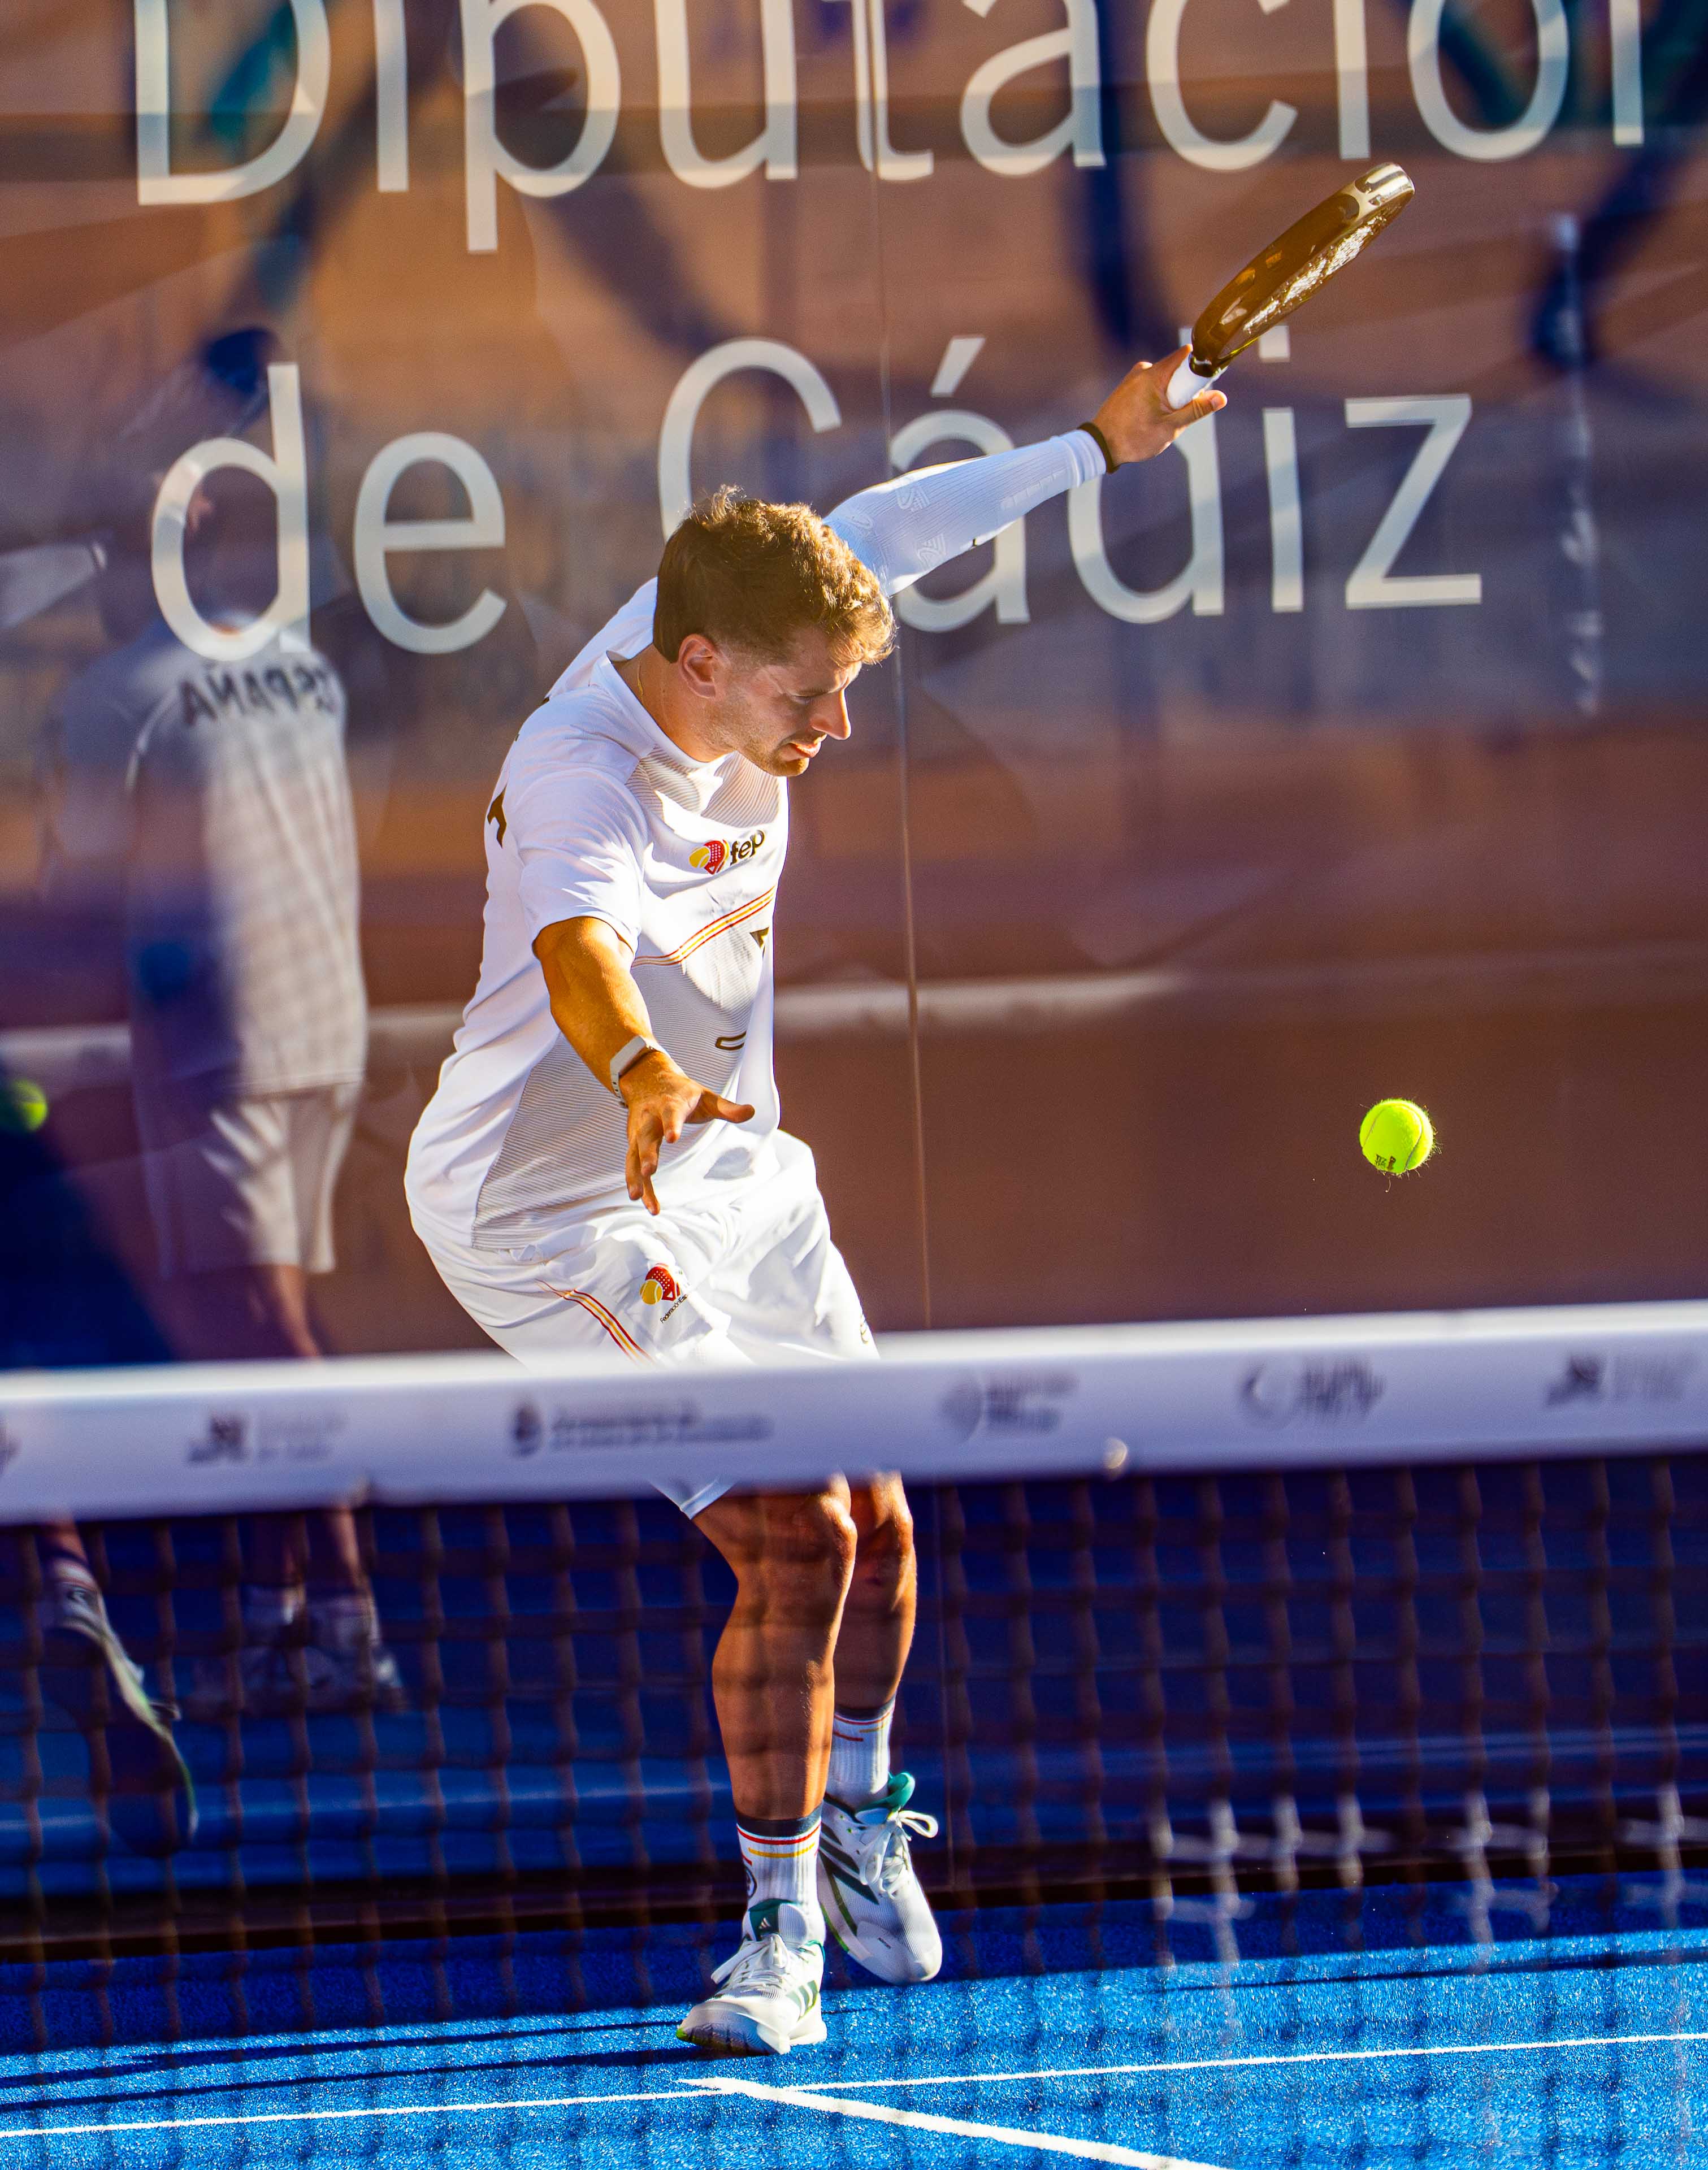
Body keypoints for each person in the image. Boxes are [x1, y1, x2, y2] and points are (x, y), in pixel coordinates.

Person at [405, 353, 1226, 2053]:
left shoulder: (720, 629)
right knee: (800, 1530)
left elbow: (889, 526)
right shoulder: (581, 774)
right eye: (812, 695)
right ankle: (775, 1940)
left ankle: (857, 1817)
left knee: (887, 1520)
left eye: (848, 689)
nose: (836, 728)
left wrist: (1098, 446)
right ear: (701, 664)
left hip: (736, 1170)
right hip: (548, 1212)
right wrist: (640, 1068)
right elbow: (579, 951)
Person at [40, 487, 404, 1724]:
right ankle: (275, 1621)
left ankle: (349, 1624)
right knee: (253, 1335)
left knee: (264, 1336)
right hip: (324, 1032)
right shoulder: (306, 671)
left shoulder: (115, 697)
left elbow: (73, 888)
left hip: (218, 1045)